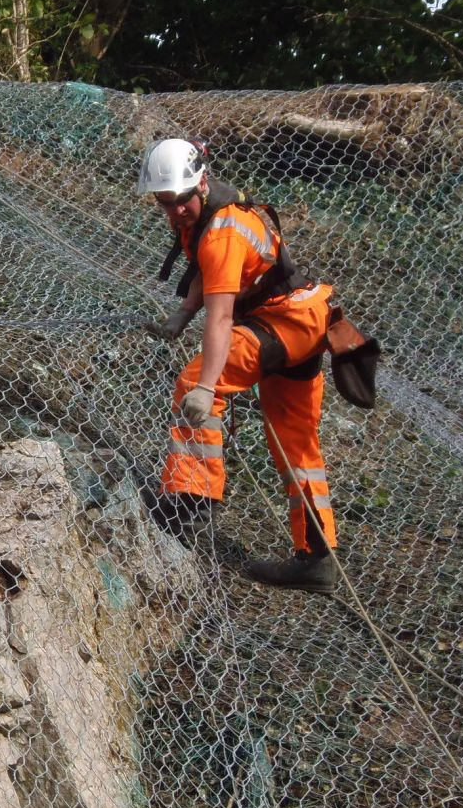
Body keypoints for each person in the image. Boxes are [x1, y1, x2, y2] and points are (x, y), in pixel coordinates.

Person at [139, 138, 340, 592]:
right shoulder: (206, 213)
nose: (174, 213)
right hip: (307, 319)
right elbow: (205, 274)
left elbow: (223, 315)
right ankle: (317, 559)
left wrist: (208, 386)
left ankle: (190, 498)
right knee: (295, 444)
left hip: (282, 323)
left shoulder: (225, 231)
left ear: (202, 184)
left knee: (196, 381)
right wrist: (181, 315)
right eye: (164, 204)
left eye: (179, 202)